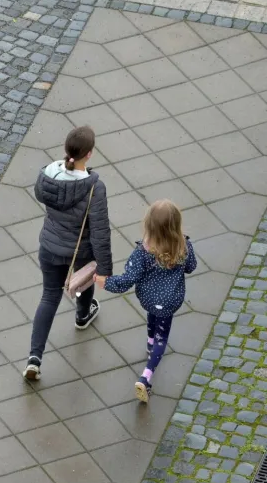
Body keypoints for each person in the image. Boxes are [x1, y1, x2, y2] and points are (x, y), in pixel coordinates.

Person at [24, 126, 113, 381]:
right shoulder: (95, 188)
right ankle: (83, 315)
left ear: (67, 150)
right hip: (80, 249)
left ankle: (34, 358)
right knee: (84, 283)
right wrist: (105, 269)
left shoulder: (48, 175)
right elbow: (100, 232)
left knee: (49, 298)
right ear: (90, 154)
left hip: (50, 247)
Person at [96, 200, 197, 403]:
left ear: (149, 225)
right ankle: (148, 370)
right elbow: (191, 267)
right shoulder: (183, 246)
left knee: (153, 316)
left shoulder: (143, 252)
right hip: (170, 301)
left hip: (149, 299)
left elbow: (126, 280)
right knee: (163, 335)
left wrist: (105, 282)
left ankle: (148, 357)